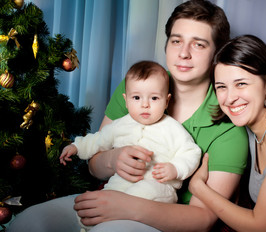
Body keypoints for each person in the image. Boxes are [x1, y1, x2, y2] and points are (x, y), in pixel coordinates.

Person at [8, 0, 249, 232]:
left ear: (217, 54)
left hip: (163, 217)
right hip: (112, 195)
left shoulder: (228, 127)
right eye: (176, 41)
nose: (183, 53)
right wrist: (114, 159)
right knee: (27, 223)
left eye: (199, 44)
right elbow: (94, 166)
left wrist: (131, 208)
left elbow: (203, 219)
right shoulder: (137, 86)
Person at [60, 60, 201, 230]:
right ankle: (88, 225)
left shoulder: (172, 128)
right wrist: (77, 147)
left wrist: (175, 168)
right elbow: (99, 140)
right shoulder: (120, 125)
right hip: (122, 181)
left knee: (140, 194)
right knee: (95, 205)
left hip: (158, 187)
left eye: (154, 98)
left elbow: (191, 152)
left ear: (166, 101)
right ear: (126, 101)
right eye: (136, 97)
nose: (145, 104)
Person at [189, 34, 266, 232]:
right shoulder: (251, 132)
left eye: (241, 84)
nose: (230, 98)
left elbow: (260, 226)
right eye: (221, 87)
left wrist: (199, 188)